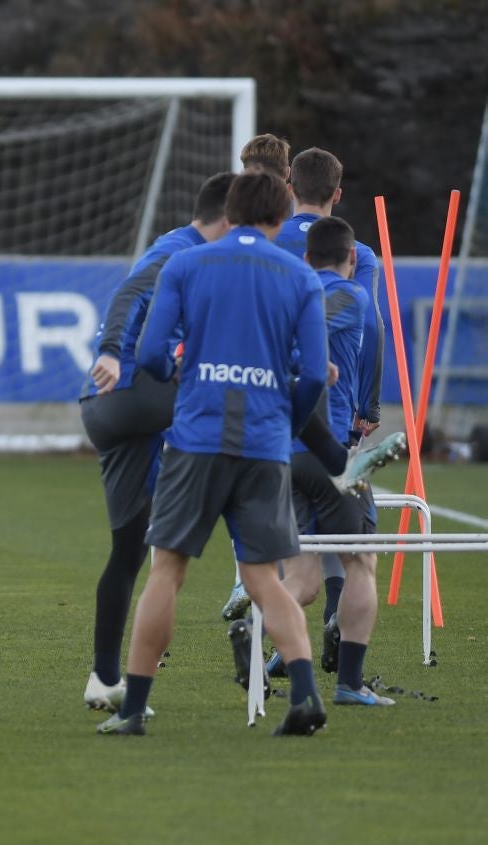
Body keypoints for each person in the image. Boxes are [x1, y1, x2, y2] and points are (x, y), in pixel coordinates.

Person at [99, 172, 330, 736]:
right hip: (265, 444)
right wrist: (287, 420)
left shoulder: (186, 264)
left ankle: (132, 711)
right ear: (280, 218)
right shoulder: (301, 276)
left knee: (167, 573)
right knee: (263, 579)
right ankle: (303, 696)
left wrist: (178, 373)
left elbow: (151, 353)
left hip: (197, 438)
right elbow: (314, 375)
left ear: (229, 212)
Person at [79, 171, 235, 717]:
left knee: (128, 552)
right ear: (226, 220)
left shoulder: (189, 249)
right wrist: (111, 351)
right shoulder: (181, 249)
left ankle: (103, 678)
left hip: (108, 412)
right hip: (130, 391)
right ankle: (256, 555)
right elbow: (130, 292)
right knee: (244, 405)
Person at [274, 216, 395, 707]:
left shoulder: (286, 299)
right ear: (351, 260)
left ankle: (263, 635)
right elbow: (367, 339)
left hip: (284, 452)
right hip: (330, 454)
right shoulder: (353, 297)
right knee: (361, 562)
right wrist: (370, 409)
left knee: (300, 579)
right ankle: (349, 683)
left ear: (305, 259)